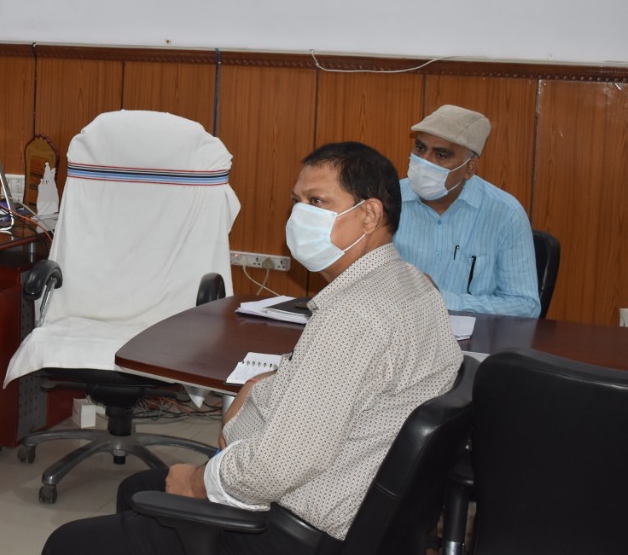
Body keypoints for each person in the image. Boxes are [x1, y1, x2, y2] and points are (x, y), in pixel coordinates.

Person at [42, 142, 462, 555]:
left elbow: (278, 467)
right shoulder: (414, 286)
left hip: (293, 528)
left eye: (317, 201)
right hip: (360, 510)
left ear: (369, 215)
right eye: (297, 202)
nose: (299, 215)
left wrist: (197, 482)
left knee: (68, 543)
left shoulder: (352, 316)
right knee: (139, 489)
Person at [393, 104, 540, 317]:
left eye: (441, 155)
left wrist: (442, 299)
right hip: (396, 329)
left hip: (472, 336)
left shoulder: (505, 214)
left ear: (469, 168)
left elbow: (525, 306)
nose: (425, 162)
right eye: (420, 148)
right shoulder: (385, 200)